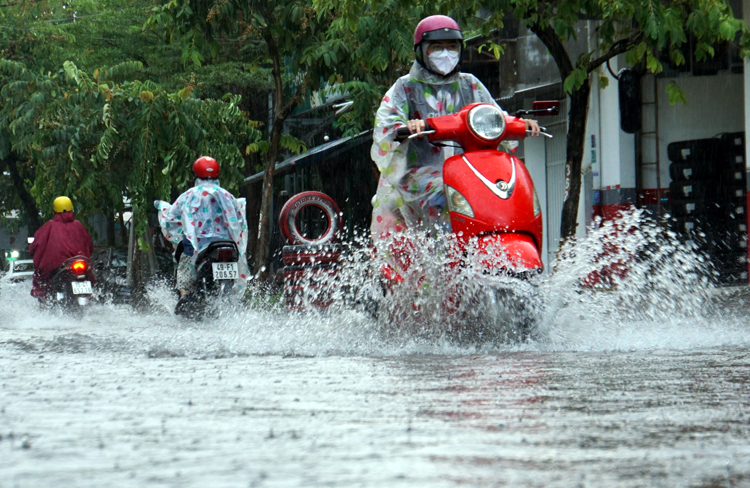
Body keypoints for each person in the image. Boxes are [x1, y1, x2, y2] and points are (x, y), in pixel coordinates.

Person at [370, 15, 540, 239]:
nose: (446, 53)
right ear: (421, 51)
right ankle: (443, 253)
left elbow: (493, 115)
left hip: (471, 171)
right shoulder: (405, 88)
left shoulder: (470, 84)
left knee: (500, 190)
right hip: (417, 174)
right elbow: (387, 126)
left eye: (451, 46)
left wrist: (519, 124)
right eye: (437, 47)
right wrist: (405, 127)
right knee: (447, 192)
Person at [155, 156, 249, 298]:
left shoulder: (189, 195)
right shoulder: (228, 196)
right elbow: (240, 220)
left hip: (199, 246)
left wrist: (163, 209)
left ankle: (184, 295)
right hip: (228, 245)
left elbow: (170, 219)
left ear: (196, 174)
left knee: (185, 261)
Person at [29, 196, 94, 299]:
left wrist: (32, 250)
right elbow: (89, 245)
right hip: (80, 263)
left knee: (42, 283)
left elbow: (37, 245)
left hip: (56, 267)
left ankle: (47, 303)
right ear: (71, 209)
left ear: (54, 211)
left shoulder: (49, 226)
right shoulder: (78, 225)